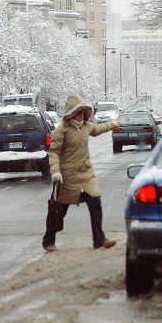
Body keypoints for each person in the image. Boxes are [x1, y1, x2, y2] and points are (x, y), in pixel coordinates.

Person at [42, 94, 119, 252]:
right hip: (67, 178)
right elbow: (54, 153)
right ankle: (48, 240)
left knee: (95, 203)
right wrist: (55, 172)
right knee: (58, 210)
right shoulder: (61, 130)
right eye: (79, 112)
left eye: (84, 112)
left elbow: (98, 129)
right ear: (71, 112)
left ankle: (99, 239)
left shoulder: (86, 126)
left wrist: (113, 124)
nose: (81, 115)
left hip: (86, 174)